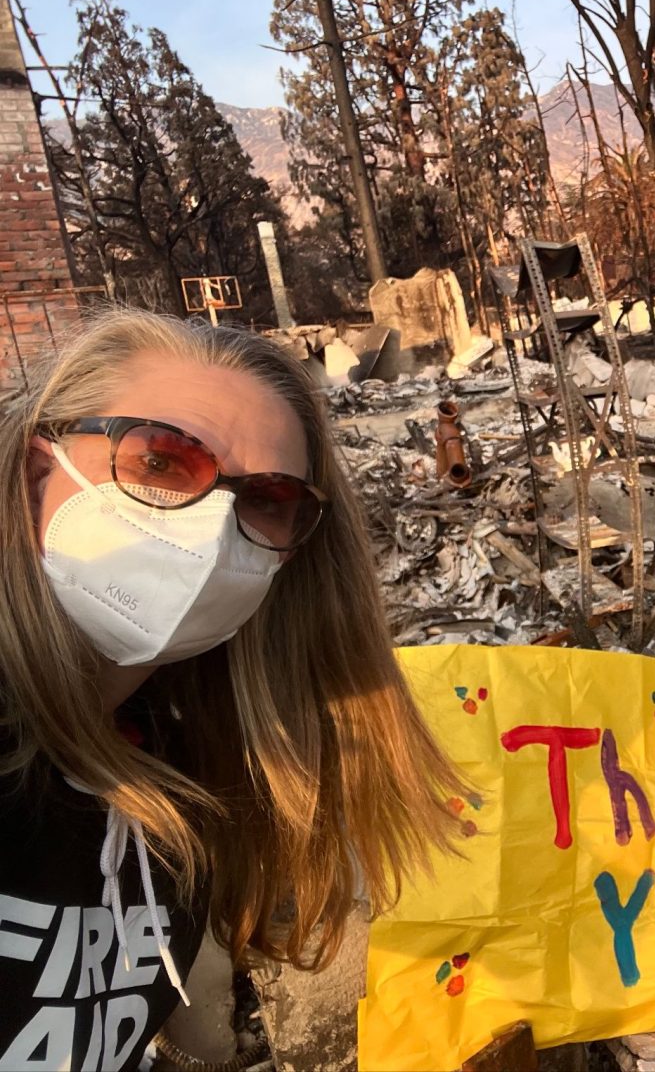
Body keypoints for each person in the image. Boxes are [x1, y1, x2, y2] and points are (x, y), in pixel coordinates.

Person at [1, 309, 463, 1070]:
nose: (214, 529)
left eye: (268, 499)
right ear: (33, 472)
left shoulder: (175, 771)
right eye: (161, 462)